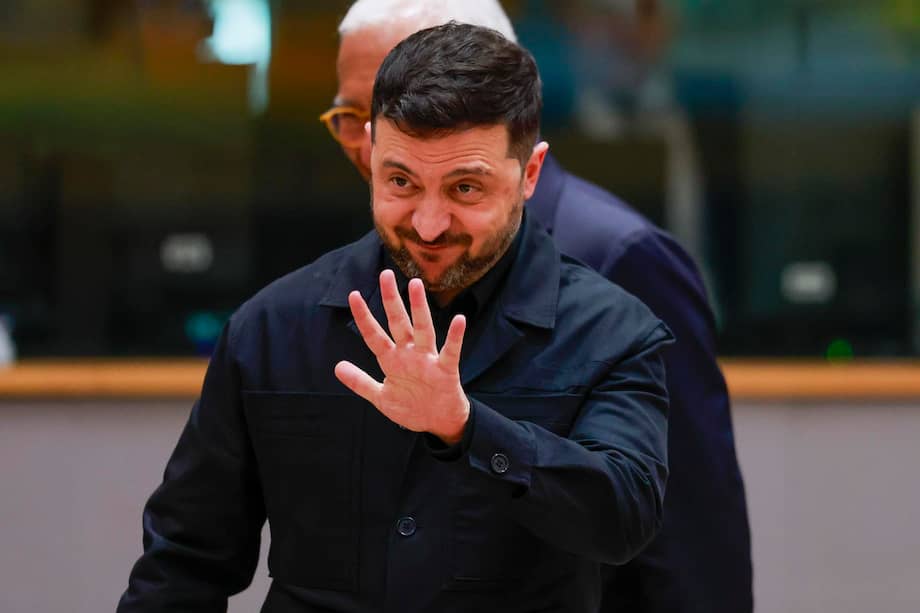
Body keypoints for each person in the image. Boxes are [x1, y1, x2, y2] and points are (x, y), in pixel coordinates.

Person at [118, 23, 674, 612]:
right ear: (371, 155)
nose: (429, 224)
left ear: (529, 175)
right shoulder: (272, 328)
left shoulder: (614, 334)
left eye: (464, 188)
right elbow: (184, 561)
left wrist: (467, 429)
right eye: (401, 182)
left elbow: (625, 518)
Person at [323, 2, 752, 612]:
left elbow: (689, 532)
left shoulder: (618, 255)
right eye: (353, 117)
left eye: (416, 100)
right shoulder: (374, 253)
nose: (373, 142)